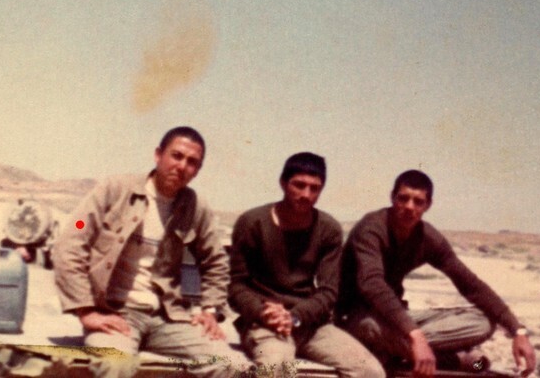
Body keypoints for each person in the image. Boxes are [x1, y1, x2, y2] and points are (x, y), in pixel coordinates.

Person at [52, 126, 251, 378]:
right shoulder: (114, 190)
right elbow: (73, 238)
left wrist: (210, 309)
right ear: (158, 155)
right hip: (115, 315)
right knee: (115, 365)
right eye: (176, 156)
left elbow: (216, 261)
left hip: (168, 318)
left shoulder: (195, 208)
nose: (182, 166)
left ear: (197, 170)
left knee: (231, 365)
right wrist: (86, 311)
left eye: (192, 162)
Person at [338, 169, 537, 378]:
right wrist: (415, 335)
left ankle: (400, 352)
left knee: (484, 322)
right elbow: (372, 284)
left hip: (397, 320)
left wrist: (518, 331)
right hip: (356, 317)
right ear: (392, 198)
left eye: (418, 201)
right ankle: (457, 360)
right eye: (403, 198)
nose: (409, 207)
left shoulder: (427, 237)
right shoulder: (371, 229)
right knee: (369, 325)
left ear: (428, 205)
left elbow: (470, 284)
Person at [228, 152, 385, 378]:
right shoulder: (252, 222)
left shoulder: (328, 229)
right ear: (283, 183)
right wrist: (263, 312)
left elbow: (329, 291)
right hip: (264, 323)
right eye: (299, 185)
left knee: (371, 371)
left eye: (314, 188)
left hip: (310, 324)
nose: (306, 194)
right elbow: (236, 286)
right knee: (274, 368)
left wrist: (295, 317)